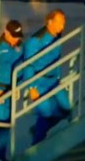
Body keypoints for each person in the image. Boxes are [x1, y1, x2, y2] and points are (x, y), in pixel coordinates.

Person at [21, 9, 69, 145]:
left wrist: (59, 77)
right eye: (59, 23)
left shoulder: (57, 37)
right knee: (46, 112)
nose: (62, 27)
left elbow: (57, 59)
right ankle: (36, 144)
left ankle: (38, 129)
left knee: (66, 109)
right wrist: (31, 88)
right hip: (39, 81)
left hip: (53, 80)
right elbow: (28, 65)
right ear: (50, 22)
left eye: (63, 23)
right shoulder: (36, 41)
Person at [0, 20, 24, 161]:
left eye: (18, 36)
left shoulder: (19, 49)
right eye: (13, 36)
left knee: (6, 124)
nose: (16, 39)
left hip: (11, 90)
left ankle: (1, 156)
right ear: (6, 33)